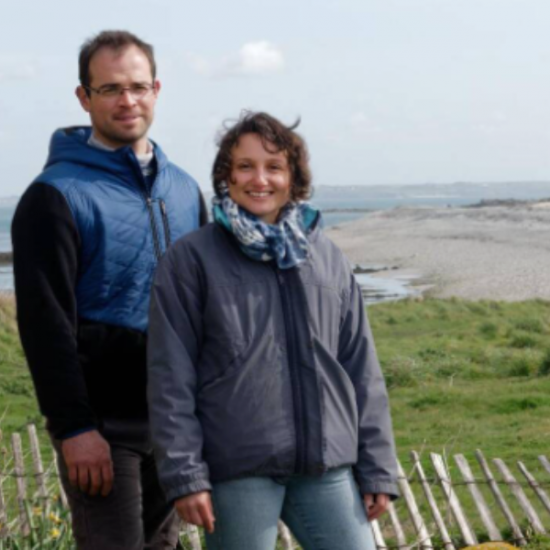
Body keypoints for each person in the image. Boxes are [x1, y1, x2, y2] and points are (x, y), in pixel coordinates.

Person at [147, 112, 399, 550]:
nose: (259, 179)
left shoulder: (327, 257)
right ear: (227, 175)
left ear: (293, 177)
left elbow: (361, 367)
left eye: (274, 167)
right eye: (245, 166)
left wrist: (377, 465)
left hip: (326, 466)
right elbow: (170, 376)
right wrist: (185, 475)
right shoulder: (190, 260)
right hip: (236, 471)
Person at [11, 30, 206, 549]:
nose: (128, 100)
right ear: (84, 97)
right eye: (110, 89)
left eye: (138, 86)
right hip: (103, 427)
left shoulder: (185, 191)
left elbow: (206, 309)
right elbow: (44, 324)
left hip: (174, 422)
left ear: (157, 90)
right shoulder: (53, 196)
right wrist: (74, 428)